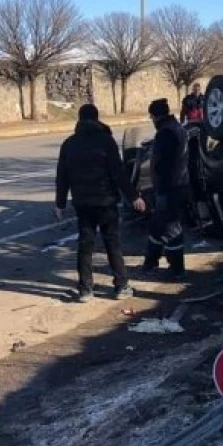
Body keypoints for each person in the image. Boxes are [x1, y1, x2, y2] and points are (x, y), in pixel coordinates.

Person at [54, 103, 146, 302]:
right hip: (106, 201)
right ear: (97, 119)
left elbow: (62, 176)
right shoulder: (106, 141)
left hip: (82, 202)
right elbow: (118, 173)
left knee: (85, 244)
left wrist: (60, 203)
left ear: (79, 119)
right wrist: (133, 197)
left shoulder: (69, 144)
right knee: (112, 242)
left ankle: (85, 289)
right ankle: (121, 285)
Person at [141, 98, 190, 280]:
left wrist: (155, 183)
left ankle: (177, 269)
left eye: (152, 117)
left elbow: (160, 163)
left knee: (171, 228)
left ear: (155, 116)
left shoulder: (166, 133)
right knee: (157, 226)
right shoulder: (177, 128)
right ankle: (150, 262)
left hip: (170, 187)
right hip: (177, 185)